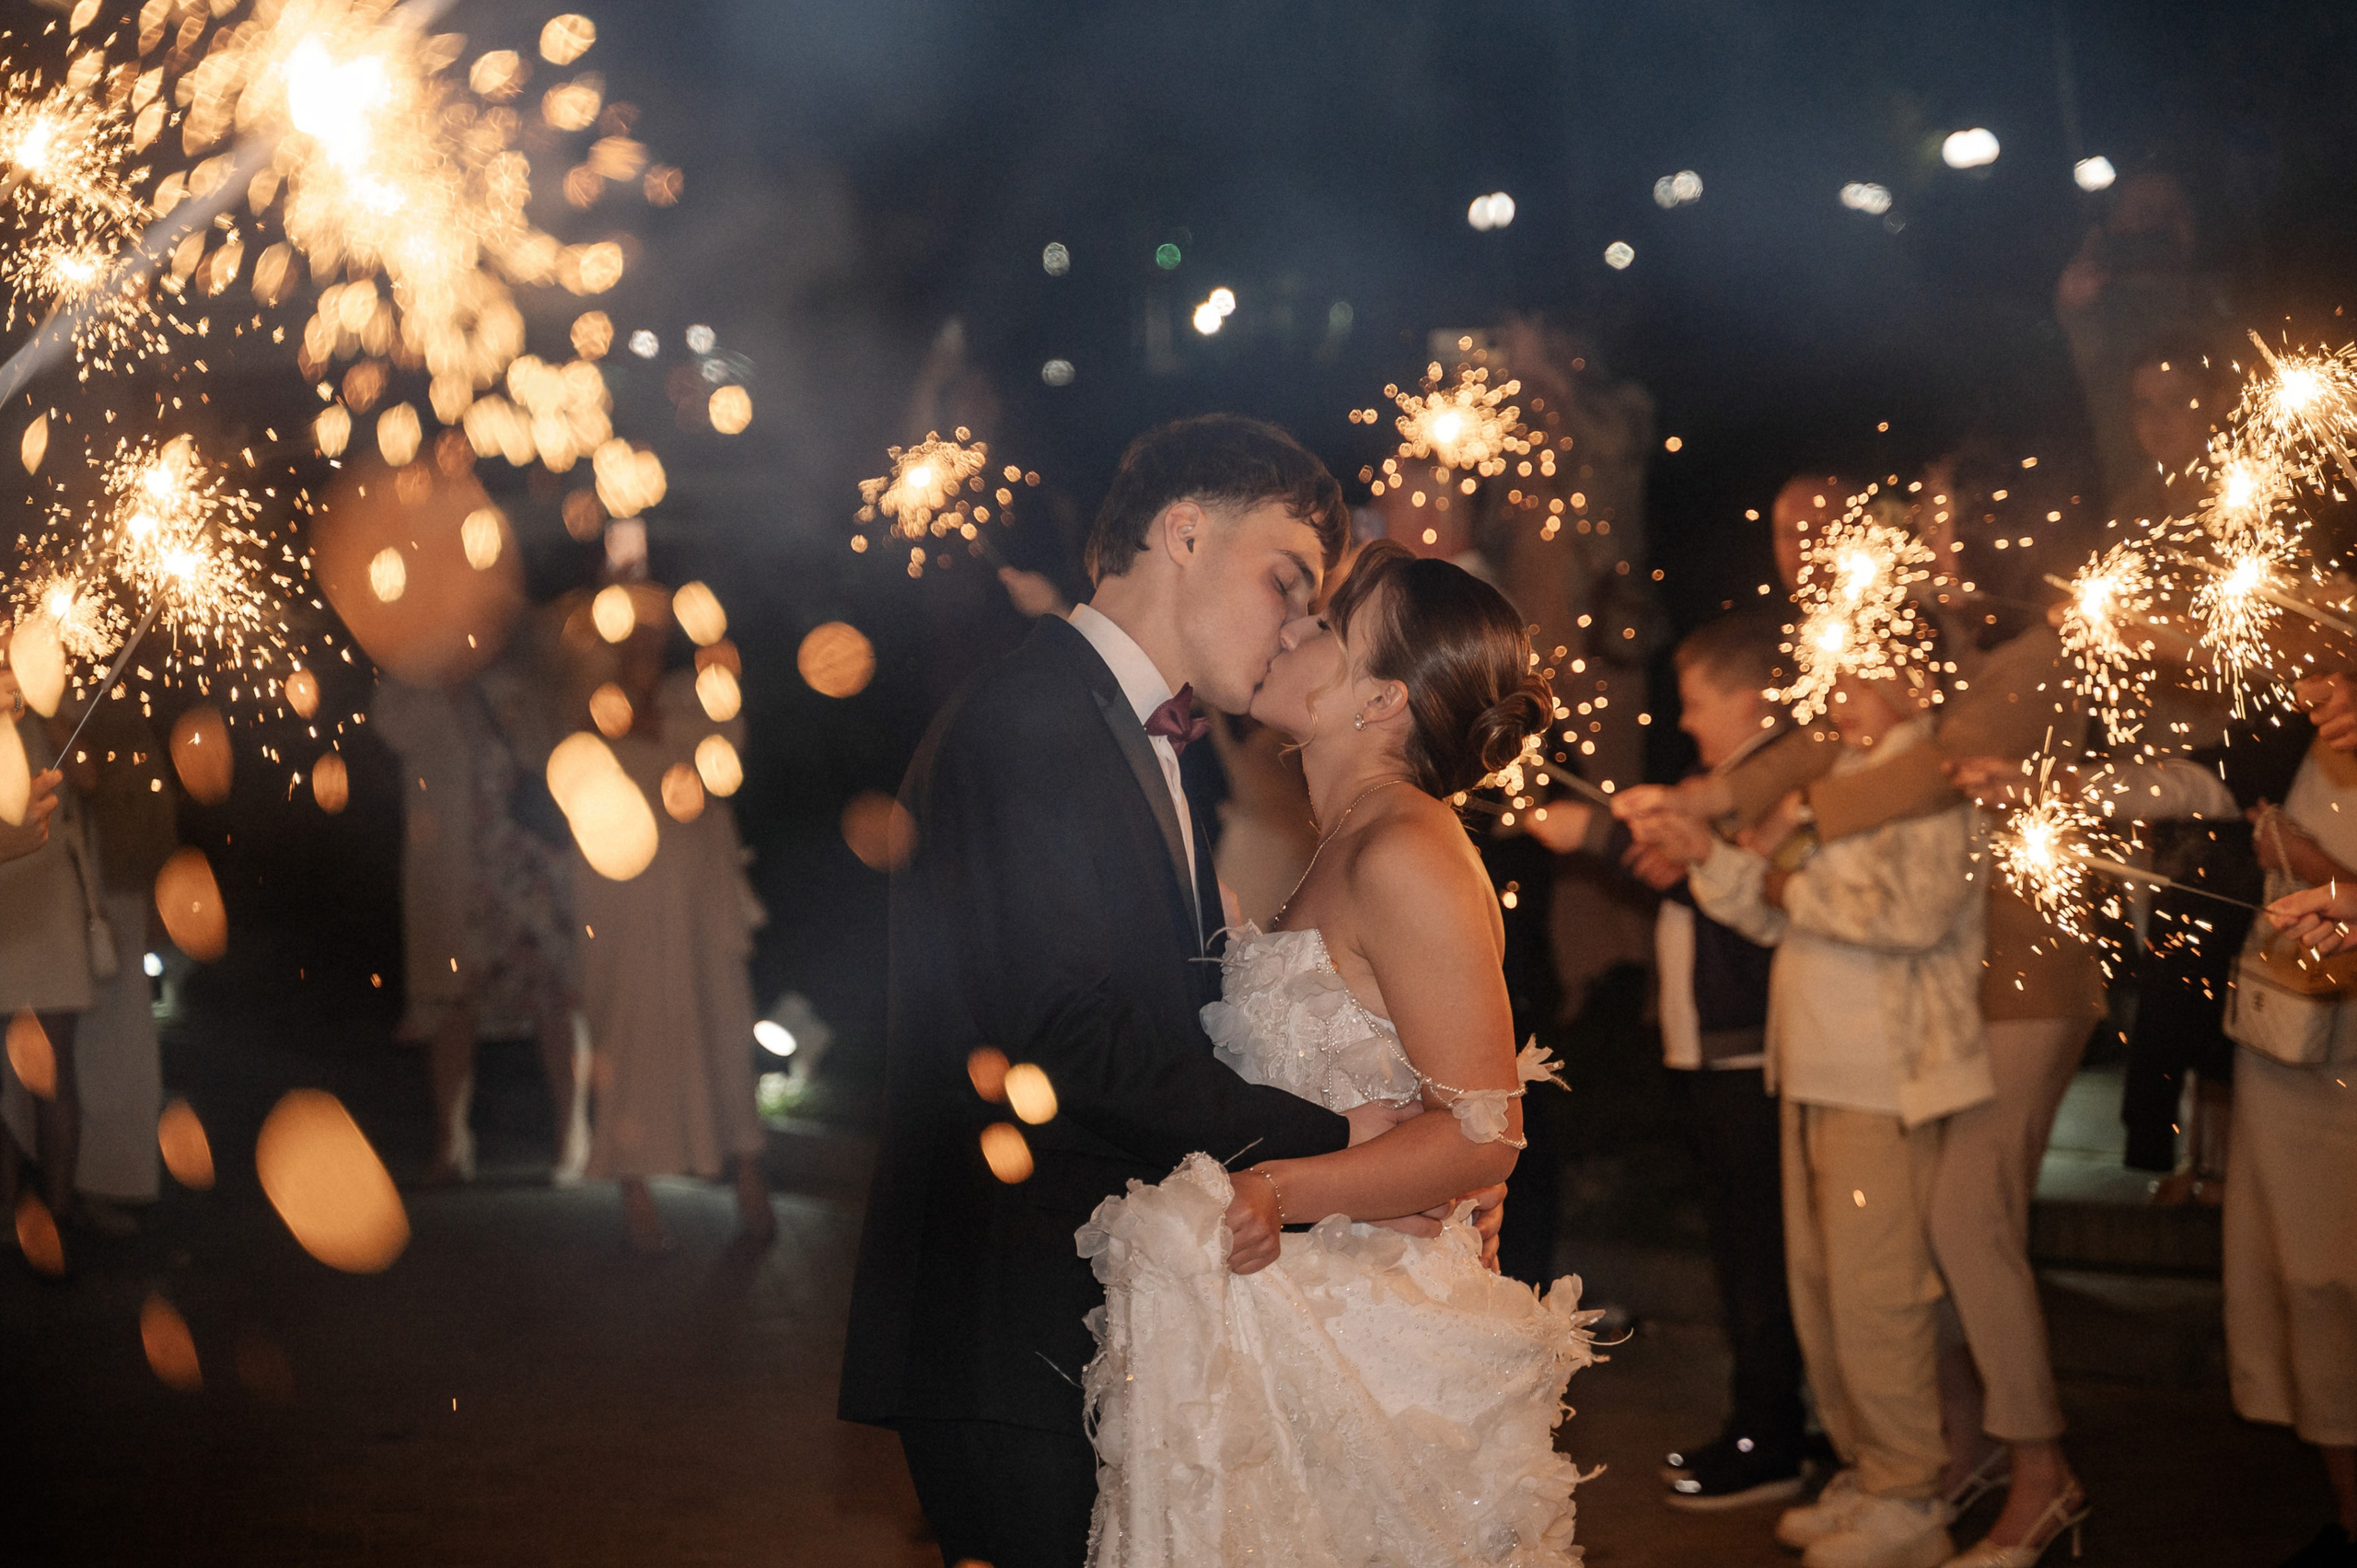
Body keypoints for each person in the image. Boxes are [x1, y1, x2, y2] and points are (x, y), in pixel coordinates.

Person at [841, 416, 1471, 1568]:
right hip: (1007, 1320)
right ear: (1183, 531)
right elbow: (1071, 1042)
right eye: (1285, 579)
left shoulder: (1138, 739)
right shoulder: (1032, 719)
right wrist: (1338, 1141)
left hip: (1086, 1316)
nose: (1294, 626)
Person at [1079, 539, 1596, 1566]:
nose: (1288, 628)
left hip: (1370, 1354)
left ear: (1381, 699)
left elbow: (1485, 1136)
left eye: (1321, 625)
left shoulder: (1405, 848)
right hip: (1294, 1324)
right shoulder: (1346, 842)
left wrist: (1276, 1183)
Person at [1651, 655, 1994, 1568]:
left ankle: (1909, 1490)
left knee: (1878, 1294)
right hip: (1814, 1072)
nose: (1831, 694)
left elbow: (1914, 912)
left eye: (1856, 676)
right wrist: (1712, 860)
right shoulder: (1833, 778)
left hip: (1886, 1076)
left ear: (1914, 681)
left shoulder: (1932, 781)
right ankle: (1866, 1466)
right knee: (1824, 1291)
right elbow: (1775, 914)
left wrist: (1778, 882)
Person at [1543, 611, 1817, 1509]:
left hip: (1749, 1053)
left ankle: (1771, 1430)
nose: (1688, 721)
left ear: (1751, 699)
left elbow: (1725, 890)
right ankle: (1770, 1421)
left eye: (1699, 702)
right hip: (1714, 1050)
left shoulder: (1769, 790)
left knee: (1760, 1253)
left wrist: (1589, 834)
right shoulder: (1719, 786)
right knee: (1743, 1248)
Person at [572, 594, 772, 1254]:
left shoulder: (696, 694)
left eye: (654, 632)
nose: (644, 644)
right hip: (625, 905)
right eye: (632, 632)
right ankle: (632, 1182)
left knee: (720, 1022)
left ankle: (748, 1172)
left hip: (697, 898)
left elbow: (723, 758)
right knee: (632, 1031)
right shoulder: (588, 701)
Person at [375, 644, 586, 1187]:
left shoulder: (526, 673)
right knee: (451, 1000)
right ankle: (452, 1142)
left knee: (551, 997)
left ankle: (572, 1137)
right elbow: (390, 728)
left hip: (527, 864)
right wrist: (443, 677)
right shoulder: (415, 673)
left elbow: (565, 745)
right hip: (455, 867)